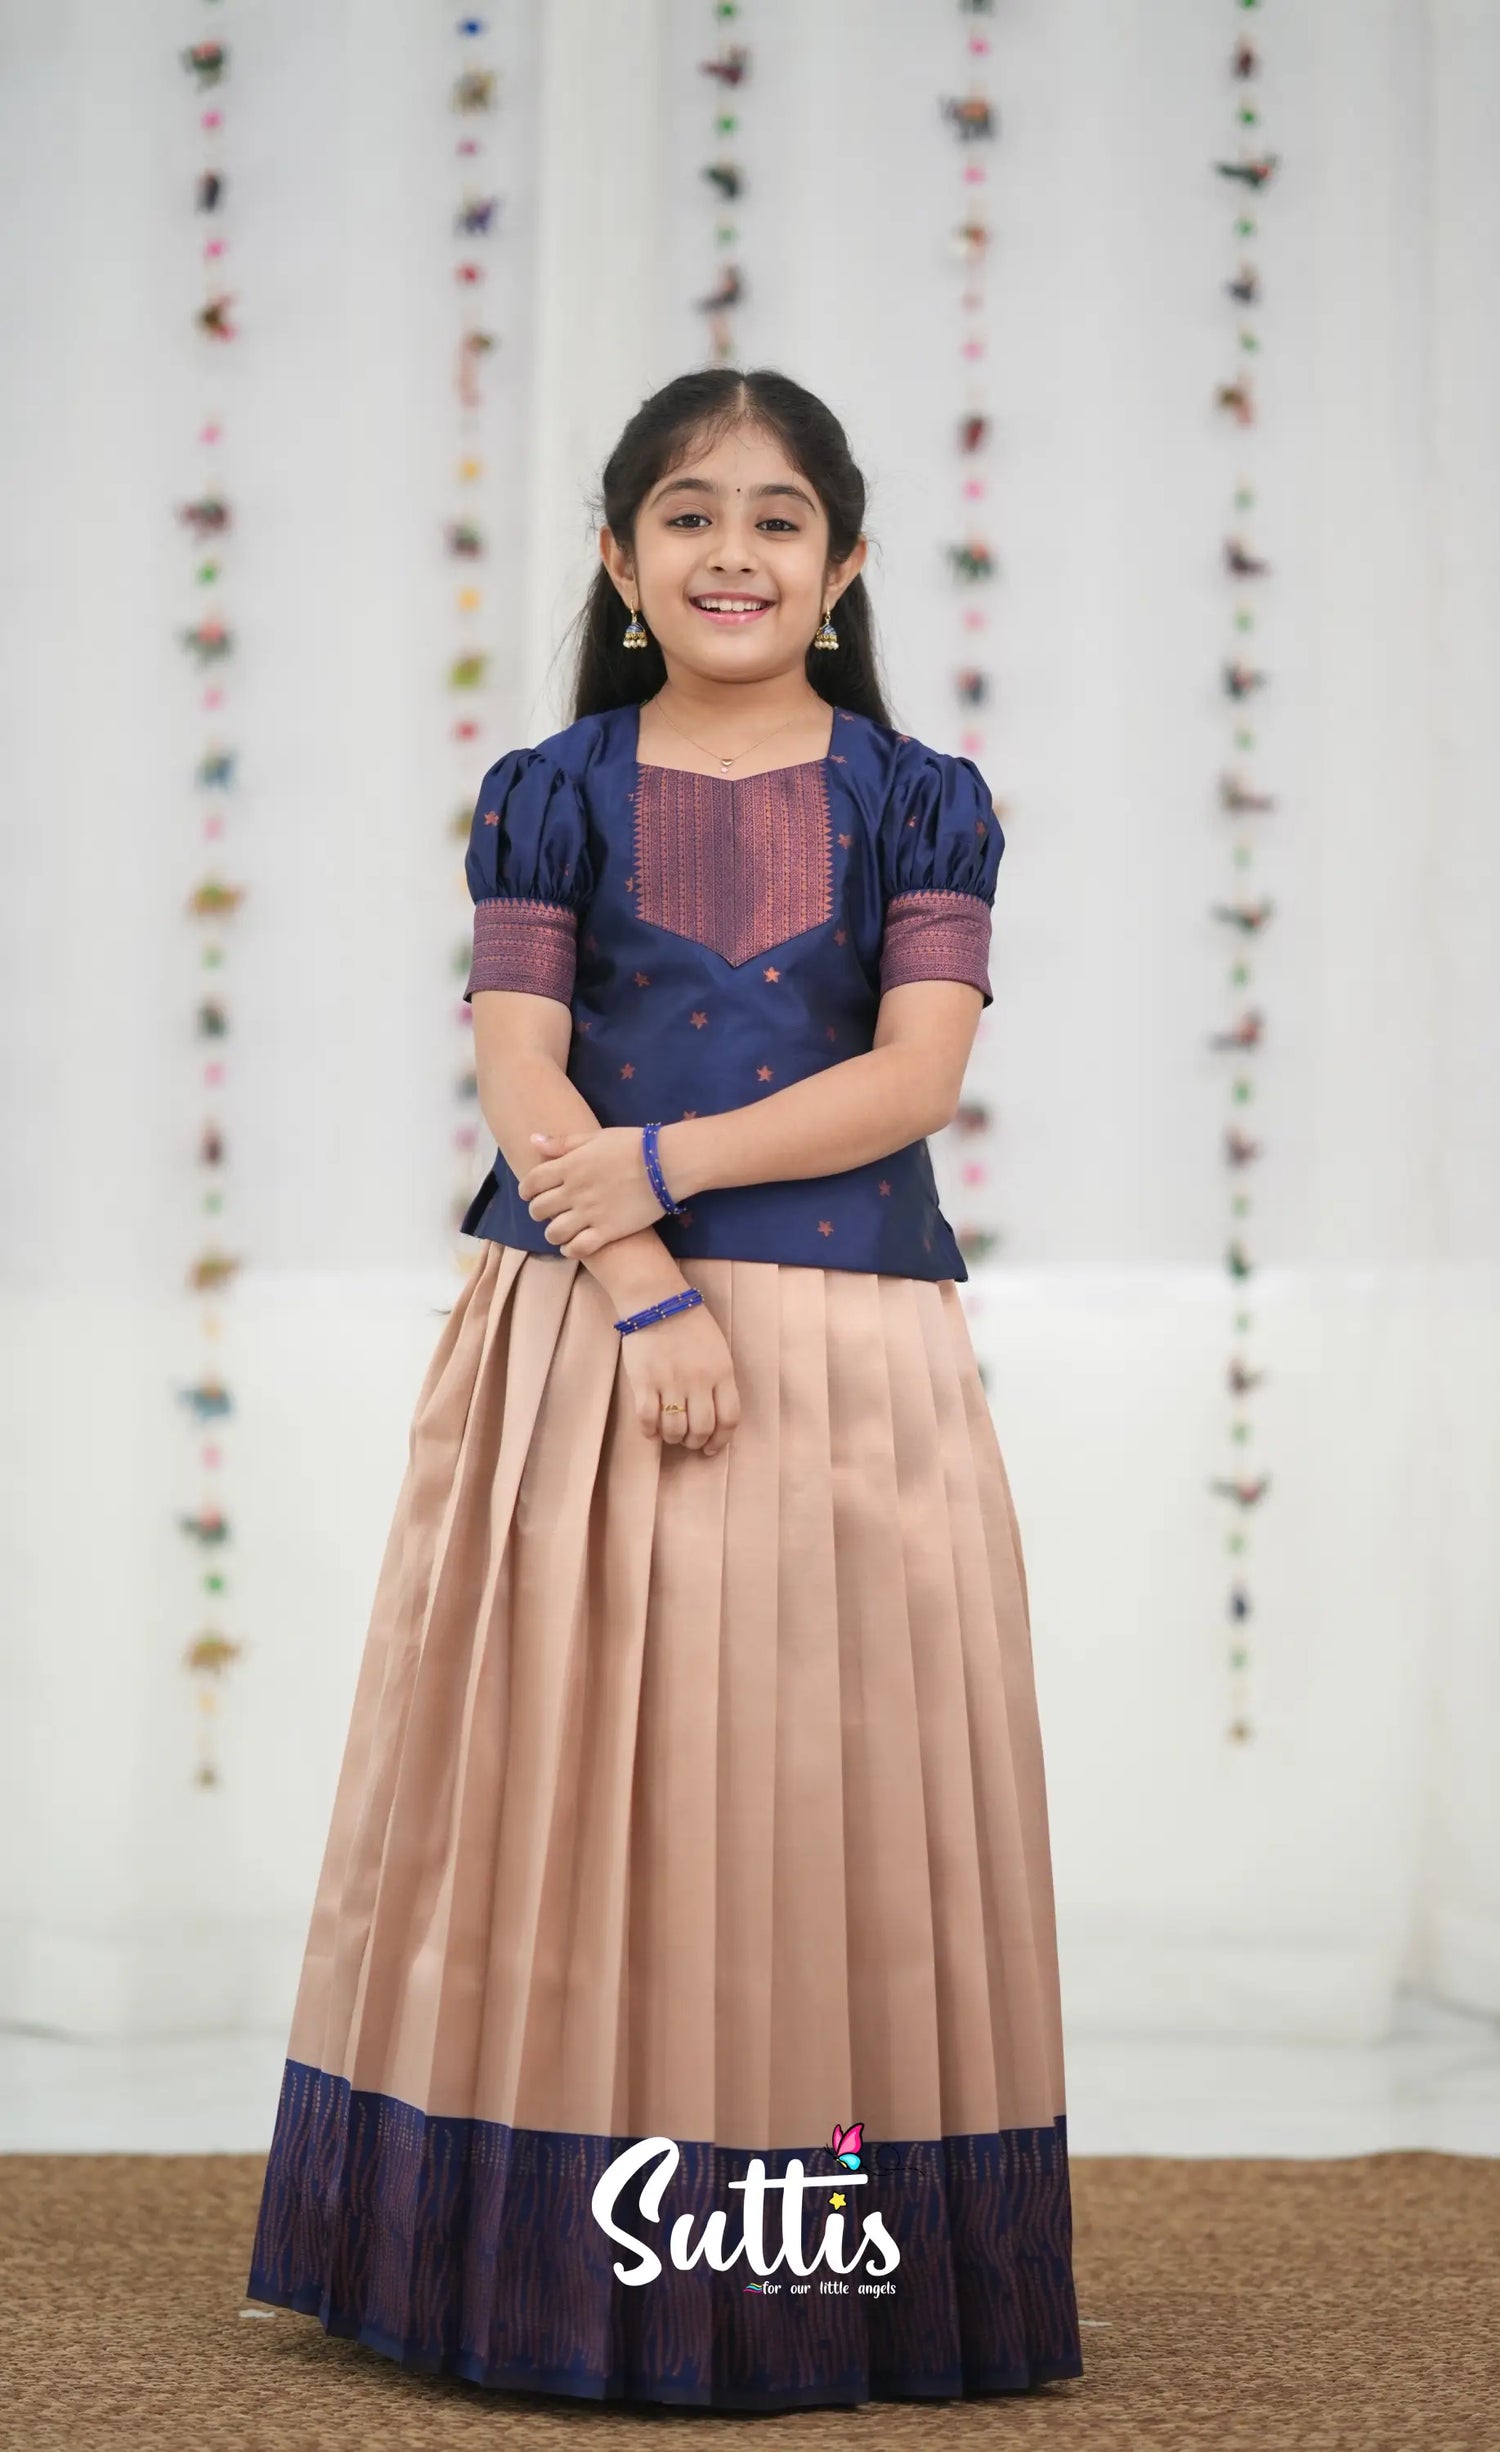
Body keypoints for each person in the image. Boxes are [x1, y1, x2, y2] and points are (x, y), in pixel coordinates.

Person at [244, 366, 1084, 2412]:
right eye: (688, 515)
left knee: (825, 1795)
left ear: (845, 564)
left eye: (777, 517)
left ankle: (826, 2273)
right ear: (620, 562)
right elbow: (518, 1064)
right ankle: (539, 2272)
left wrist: (662, 1168)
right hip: (582, 1344)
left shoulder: (923, 798)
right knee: (569, 1785)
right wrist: (639, 1286)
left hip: (854, 1353)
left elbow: (917, 1076)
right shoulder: (551, 790)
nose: (734, 552)